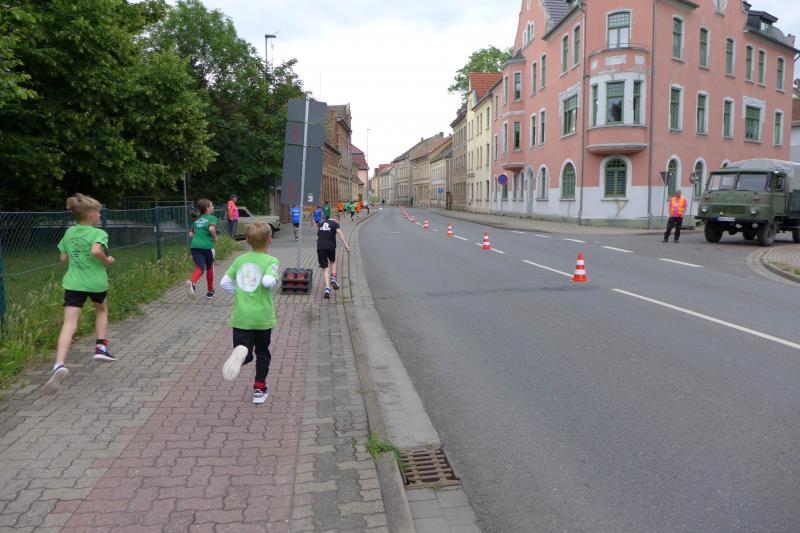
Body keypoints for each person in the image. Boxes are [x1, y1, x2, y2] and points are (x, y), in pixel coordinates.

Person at [43, 194, 116, 395]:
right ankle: (101, 348)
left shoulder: (69, 232)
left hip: (74, 283)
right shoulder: (98, 233)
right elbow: (96, 251)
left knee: (69, 323)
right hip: (95, 282)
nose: (100, 215)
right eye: (99, 212)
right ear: (91, 215)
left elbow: (63, 258)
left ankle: (59, 364)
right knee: (101, 310)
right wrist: (107, 260)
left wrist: (74, 255)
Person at [219, 222, 279, 404]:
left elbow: (224, 283)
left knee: (244, 348)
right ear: (269, 240)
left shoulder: (239, 260)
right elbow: (268, 282)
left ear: (246, 240)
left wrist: (239, 292)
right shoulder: (271, 261)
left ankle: (243, 355)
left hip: (241, 316)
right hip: (262, 317)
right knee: (263, 352)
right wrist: (272, 279)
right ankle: (259, 389)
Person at [187, 198, 218, 299]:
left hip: (194, 247)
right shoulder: (212, 218)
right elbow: (211, 228)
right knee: (210, 268)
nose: (213, 207)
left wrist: (198, 236)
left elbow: (190, 235)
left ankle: (192, 283)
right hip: (207, 247)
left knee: (200, 267)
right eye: (211, 205)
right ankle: (210, 291)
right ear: (207, 208)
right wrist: (215, 237)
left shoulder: (196, 220)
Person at [317, 214, 350, 299]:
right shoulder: (335, 223)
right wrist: (346, 245)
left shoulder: (321, 224)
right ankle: (333, 278)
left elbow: (318, 237)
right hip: (330, 246)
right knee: (333, 261)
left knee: (325, 267)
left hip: (320, 247)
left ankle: (327, 289)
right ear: (336, 220)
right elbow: (340, 233)